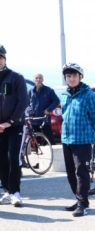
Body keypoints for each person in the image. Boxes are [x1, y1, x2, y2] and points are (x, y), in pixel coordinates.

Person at [60, 62, 95, 217]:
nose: (71, 79)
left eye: (74, 76)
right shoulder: (64, 95)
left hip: (82, 140)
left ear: (80, 77)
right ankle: (78, 200)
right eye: (68, 76)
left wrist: (91, 133)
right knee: (71, 172)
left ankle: (84, 204)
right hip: (67, 139)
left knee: (81, 172)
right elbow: (64, 115)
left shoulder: (88, 95)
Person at [0, 44, 29, 207]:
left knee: (13, 157)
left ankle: (16, 192)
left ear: (5, 59)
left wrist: (9, 121)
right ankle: (7, 191)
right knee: (1, 159)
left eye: (0, 57)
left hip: (15, 126)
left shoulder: (16, 77)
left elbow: (23, 101)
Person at [27, 73, 60, 145]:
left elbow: (56, 101)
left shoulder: (49, 90)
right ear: (33, 79)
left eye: (40, 78)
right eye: (36, 78)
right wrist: (29, 110)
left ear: (43, 79)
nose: (38, 79)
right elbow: (26, 103)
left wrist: (49, 109)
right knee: (35, 141)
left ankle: (55, 154)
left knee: (50, 140)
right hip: (34, 119)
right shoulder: (30, 91)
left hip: (44, 119)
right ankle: (37, 155)